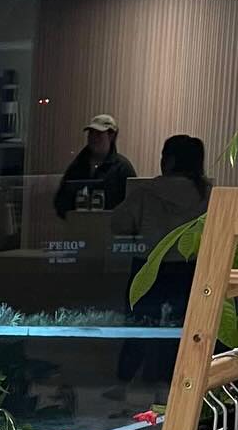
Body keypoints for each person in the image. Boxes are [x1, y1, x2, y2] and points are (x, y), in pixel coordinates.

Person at [109, 134, 212, 385]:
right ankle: (178, 382)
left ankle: (125, 381)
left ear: (170, 160)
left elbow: (118, 224)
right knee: (187, 330)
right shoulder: (209, 194)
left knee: (139, 326)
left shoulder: (146, 193)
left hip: (149, 267)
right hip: (192, 269)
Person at [53, 112, 137, 216]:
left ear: (111, 136)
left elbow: (134, 206)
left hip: (111, 230)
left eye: (98, 134)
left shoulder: (122, 168)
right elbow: (60, 202)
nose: (93, 138)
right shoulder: (77, 166)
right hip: (79, 229)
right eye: (91, 133)